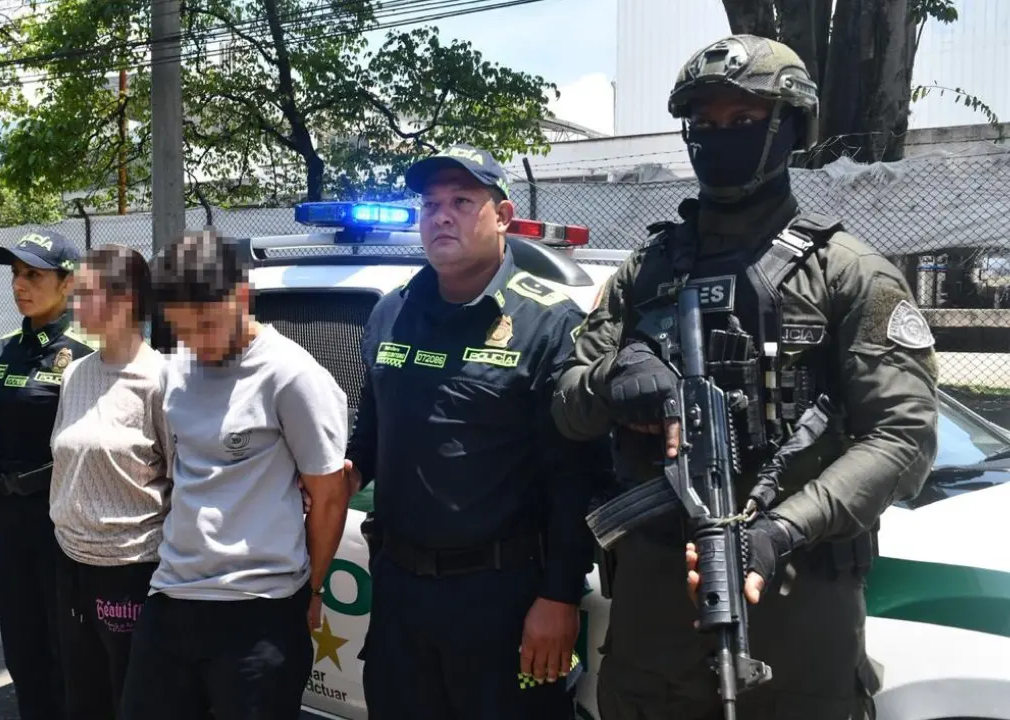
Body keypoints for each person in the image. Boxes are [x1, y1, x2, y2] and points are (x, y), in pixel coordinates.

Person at [550, 35, 940, 720]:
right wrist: (617, 378)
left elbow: (903, 438)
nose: (718, 137)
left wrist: (782, 529)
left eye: (743, 121)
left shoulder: (846, 272)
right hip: (653, 616)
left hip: (795, 604)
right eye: (704, 123)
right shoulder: (645, 273)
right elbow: (566, 403)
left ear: (790, 128)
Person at [344, 144, 608, 720]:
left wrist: (560, 594)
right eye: (431, 203)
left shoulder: (549, 323)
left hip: (502, 598)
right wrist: (337, 477)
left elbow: (576, 474)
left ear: (504, 216)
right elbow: (370, 433)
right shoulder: (392, 311)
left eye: (462, 201)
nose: (441, 215)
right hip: (399, 594)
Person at [120, 229, 350, 720]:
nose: (196, 343)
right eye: (181, 330)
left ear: (241, 296)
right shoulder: (177, 371)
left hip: (258, 608)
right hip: (172, 595)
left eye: (206, 324)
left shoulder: (292, 377)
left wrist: (312, 590)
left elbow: (329, 498)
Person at [0, 230, 93, 720]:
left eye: (34, 275)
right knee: (22, 647)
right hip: (10, 521)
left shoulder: (91, 352)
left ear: (68, 284)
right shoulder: (3, 351)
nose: (20, 285)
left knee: (70, 649)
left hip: (65, 525)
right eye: (17, 274)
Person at [47, 243, 172, 718]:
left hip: (132, 571)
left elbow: (182, 484)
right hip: (70, 563)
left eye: (85, 293)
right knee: (84, 695)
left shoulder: (161, 380)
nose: (75, 304)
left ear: (123, 301)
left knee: (131, 698)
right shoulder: (75, 373)